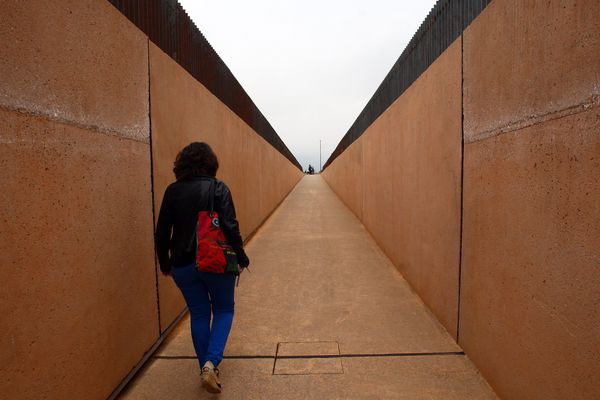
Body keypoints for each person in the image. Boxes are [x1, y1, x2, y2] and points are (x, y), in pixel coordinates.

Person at [155, 142, 250, 394]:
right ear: (211, 164)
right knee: (224, 309)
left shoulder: (172, 191)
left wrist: (166, 264)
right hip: (215, 262)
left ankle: (205, 369)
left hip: (183, 265)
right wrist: (241, 256)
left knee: (198, 313)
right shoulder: (218, 188)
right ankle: (211, 363)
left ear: (182, 165)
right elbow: (230, 225)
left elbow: (162, 232)